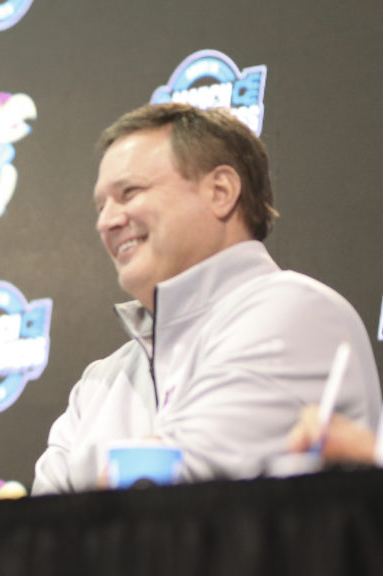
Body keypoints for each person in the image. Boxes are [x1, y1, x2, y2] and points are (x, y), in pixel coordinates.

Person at [33, 103, 381, 494]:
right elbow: (40, 521)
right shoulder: (99, 382)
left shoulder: (296, 311)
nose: (106, 222)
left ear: (220, 192)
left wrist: (90, 485)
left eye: (129, 193)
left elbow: (188, 492)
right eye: (101, 206)